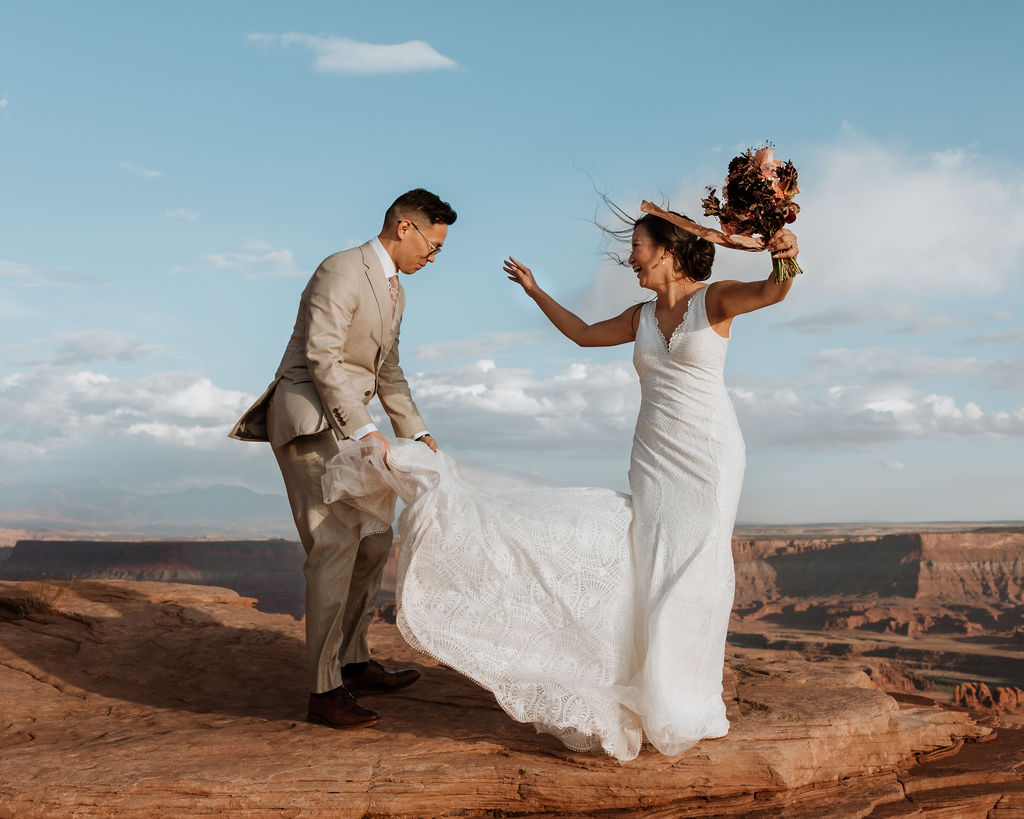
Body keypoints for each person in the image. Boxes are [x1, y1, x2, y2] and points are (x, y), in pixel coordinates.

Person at [321, 207, 799, 760]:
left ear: (666, 251)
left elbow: (773, 292)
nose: (631, 258)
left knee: (695, 565)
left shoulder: (714, 300)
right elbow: (582, 334)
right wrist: (534, 290)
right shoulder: (641, 316)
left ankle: (684, 699)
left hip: (710, 456)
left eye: (638, 247)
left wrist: (786, 254)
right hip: (653, 456)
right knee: (649, 562)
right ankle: (649, 686)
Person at [229, 188, 457, 729]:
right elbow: (322, 357)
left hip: (358, 428)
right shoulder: (341, 270)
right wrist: (365, 429)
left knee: (375, 542)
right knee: (334, 545)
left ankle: (353, 662)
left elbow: (388, 371)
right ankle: (322, 690)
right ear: (405, 227)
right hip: (312, 420)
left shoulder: (397, 292)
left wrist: (418, 432)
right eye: (433, 244)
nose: (434, 256)